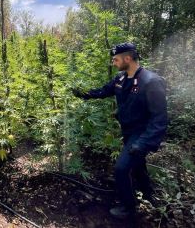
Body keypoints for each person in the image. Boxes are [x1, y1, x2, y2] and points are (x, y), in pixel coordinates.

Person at [72, 42, 167, 219]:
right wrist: (81, 93)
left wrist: (142, 143)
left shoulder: (151, 81)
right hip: (128, 132)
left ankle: (128, 208)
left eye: (116, 59)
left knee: (121, 168)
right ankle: (148, 193)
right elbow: (103, 91)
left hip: (141, 133)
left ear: (128, 58)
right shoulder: (121, 79)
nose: (113, 62)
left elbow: (159, 119)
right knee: (137, 165)